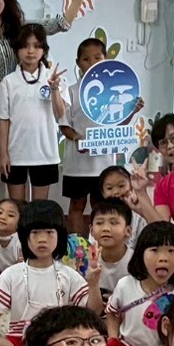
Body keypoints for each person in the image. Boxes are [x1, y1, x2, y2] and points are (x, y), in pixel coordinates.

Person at [0, 200, 91, 346]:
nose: (42, 239)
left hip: (56, 341)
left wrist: (93, 284)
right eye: (35, 233)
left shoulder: (68, 274)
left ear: (60, 235)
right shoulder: (12, 273)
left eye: (49, 232)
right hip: (19, 341)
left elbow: (91, 310)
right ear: (24, 236)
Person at [61, 37, 144, 235]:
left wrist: (132, 111)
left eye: (97, 58)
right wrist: (78, 139)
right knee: (77, 205)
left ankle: (99, 244)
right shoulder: (71, 92)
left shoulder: (113, 93)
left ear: (105, 59)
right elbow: (64, 125)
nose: (92, 63)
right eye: (86, 59)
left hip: (104, 164)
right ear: (78, 63)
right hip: (77, 164)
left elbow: (118, 125)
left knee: (101, 206)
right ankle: (77, 246)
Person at [0, 25, 69, 203]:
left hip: (44, 154)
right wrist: (3, 154)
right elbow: (4, 120)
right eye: (25, 46)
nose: (30, 51)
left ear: (44, 50)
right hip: (15, 155)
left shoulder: (53, 78)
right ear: (17, 49)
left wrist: (54, 89)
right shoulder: (8, 82)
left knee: (39, 207)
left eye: (36, 46)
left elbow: (60, 114)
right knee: (16, 206)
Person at [102, 222, 174, 346]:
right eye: (154, 250)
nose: (163, 258)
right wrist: (113, 340)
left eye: (171, 251)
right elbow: (112, 313)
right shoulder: (125, 285)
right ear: (141, 253)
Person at [90, 196, 136, 305]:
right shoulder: (86, 259)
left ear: (128, 231)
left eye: (114, 223)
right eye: (99, 223)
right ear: (91, 231)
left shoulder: (136, 261)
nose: (106, 228)